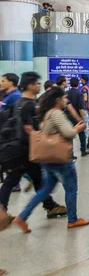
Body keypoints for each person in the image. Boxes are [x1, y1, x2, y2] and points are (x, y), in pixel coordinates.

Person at [12, 87, 89, 232]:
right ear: (57, 100)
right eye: (64, 98)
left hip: (47, 159)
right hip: (60, 159)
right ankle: (73, 220)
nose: (66, 100)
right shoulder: (57, 114)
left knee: (44, 190)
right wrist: (78, 129)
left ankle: (22, 216)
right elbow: (68, 133)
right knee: (71, 188)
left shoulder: (46, 113)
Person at [0, 72, 66, 219]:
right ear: (29, 85)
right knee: (13, 180)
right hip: (25, 150)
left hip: (22, 149)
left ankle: (50, 206)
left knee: (35, 178)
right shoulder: (28, 105)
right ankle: (2, 211)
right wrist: (47, 143)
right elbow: (29, 129)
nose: (38, 86)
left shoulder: (19, 101)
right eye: (36, 83)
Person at [66, 77, 89, 157]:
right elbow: (80, 107)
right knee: (82, 134)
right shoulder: (79, 94)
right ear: (78, 84)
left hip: (68, 116)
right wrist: (82, 118)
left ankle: (70, 153)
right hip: (77, 117)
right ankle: (83, 150)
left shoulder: (67, 93)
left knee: (70, 135)